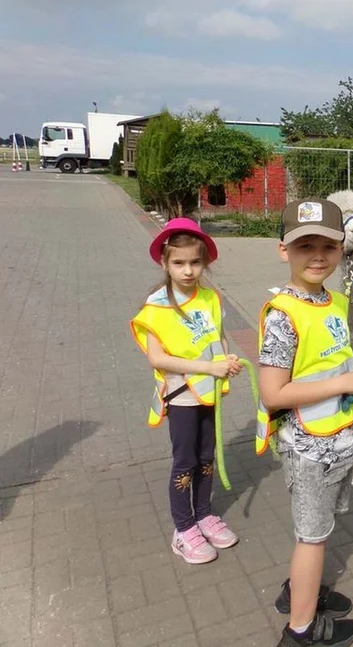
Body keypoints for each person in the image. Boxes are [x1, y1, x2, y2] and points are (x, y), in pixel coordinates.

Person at [257, 199, 353, 647]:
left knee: (316, 534)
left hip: (336, 440)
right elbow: (273, 393)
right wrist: (349, 383)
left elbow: (336, 367)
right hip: (308, 448)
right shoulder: (284, 316)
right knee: (312, 538)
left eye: (327, 246)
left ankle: (298, 591)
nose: (317, 255)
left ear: (342, 250)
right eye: (305, 246)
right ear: (285, 250)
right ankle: (299, 630)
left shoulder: (335, 302)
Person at [131, 218, 243, 565]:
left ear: (205, 262)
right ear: (164, 263)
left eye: (195, 262)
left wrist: (227, 357)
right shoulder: (158, 306)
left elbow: (218, 336)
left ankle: (204, 514)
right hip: (181, 396)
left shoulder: (210, 298)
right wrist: (209, 368)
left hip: (207, 393)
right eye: (179, 263)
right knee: (185, 461)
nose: (188, 270)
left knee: (206, 457)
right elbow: (156, 356)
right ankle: (183, 528)